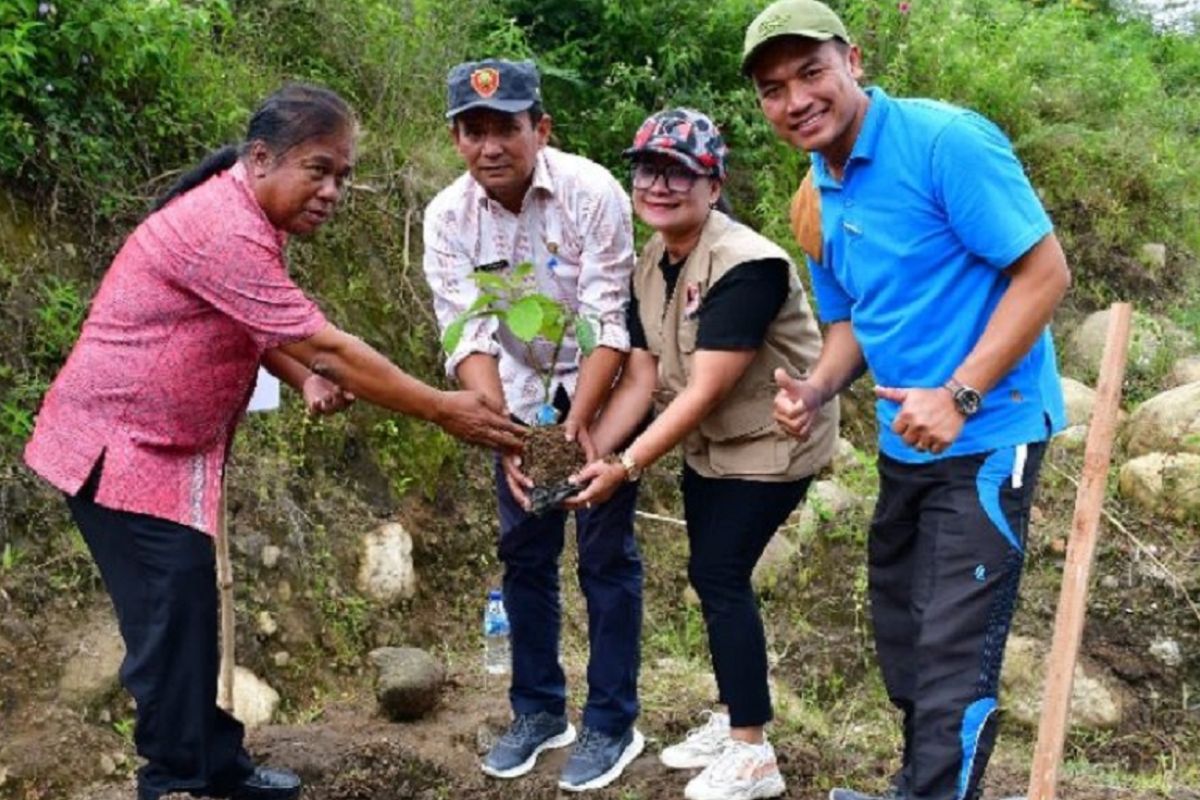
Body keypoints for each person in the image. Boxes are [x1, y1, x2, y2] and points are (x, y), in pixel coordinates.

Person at [23, 83, 524, 800]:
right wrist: (443, 409)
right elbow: (330, 346)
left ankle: (216, 765)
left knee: (188, 612)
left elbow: (250, 324)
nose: (333, 191)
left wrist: (299, 378)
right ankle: (175, 783)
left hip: (169, 451)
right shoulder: (222, 229)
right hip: (117, 448)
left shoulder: (250, 216)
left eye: (344, 176)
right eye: (319, 169)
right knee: (169, 624)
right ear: (260, 158)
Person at [742, 2, 1072, 799]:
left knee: (955, 653)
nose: (796, 100)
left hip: (988, 434)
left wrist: (960, 394)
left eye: (811, 72)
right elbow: (853, 320)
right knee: (906, 638)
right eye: (773, 88)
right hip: (905, 444)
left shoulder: (944, 142)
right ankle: (919, 787)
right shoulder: (819, 189)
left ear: (852, 61)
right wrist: (819, 387)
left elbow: (1045, 274)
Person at [567, 108, 837, 800]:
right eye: (647, 169)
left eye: (680, 172)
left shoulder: (748, 266)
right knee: (714, 575)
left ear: (713, 185)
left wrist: (626, 467)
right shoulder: (653, 261)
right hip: (712, 449)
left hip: (774, 442)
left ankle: (753, 752)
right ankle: (732, 716)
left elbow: (708, 388)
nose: (659, 185)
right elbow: (647, 373)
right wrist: (593, 441)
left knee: (718, 574)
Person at [421, 59, 645, 792]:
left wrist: (577, 429)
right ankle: (540, 710)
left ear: (539, 129)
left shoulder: (591, 193)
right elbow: (468, 333)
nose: (491, 146)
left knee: (605, 561)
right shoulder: (447, 218)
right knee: (524, 558)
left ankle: (612, 721)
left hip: (600, 401)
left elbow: (610, 316)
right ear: (457, 138)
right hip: (513, 409)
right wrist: (513, 439)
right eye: (473, 130)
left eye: (507, 128)